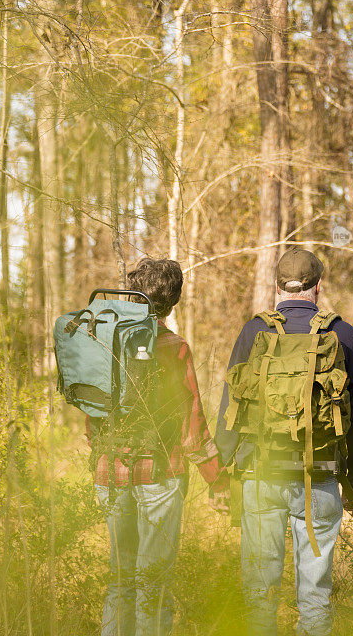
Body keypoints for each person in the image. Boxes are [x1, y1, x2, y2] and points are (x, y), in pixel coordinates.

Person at [215, 247, 353, 636]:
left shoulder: (255, 331)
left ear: (277, 287)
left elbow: (230, 408)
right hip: (319, 478)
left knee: (258, 591)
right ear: (317, 287)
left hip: (260, 477)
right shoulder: (342, 334)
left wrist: (222, 470)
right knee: (316, 596)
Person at [88, 257, 229, 636]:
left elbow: (91, 412)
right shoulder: (173, 347)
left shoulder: (101, 340)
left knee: (119, 579)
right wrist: (217, 479)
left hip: (109, 473)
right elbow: (193, 423)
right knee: (152, 582)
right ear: (172, 300)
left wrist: (100, 458)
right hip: (160, 475)